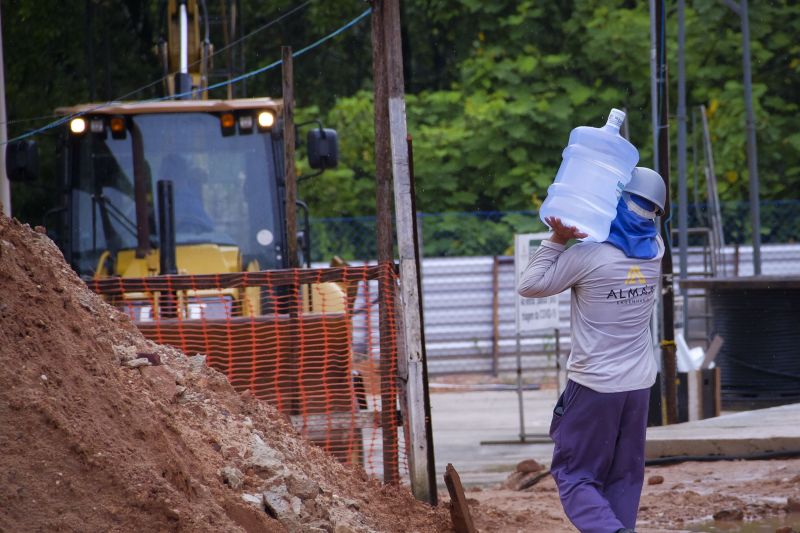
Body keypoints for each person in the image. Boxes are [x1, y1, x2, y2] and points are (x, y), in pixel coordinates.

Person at [518, 167, 667, 533]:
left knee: (574, 474)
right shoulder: (656, 252)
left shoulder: (590, 257)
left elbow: (529, 285)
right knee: (624, 475)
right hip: (639, 387)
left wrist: (558, 237)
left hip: (595, 386)